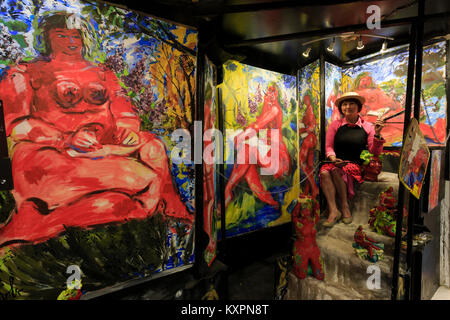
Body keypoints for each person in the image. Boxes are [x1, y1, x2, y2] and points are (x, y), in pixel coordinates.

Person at [0, 12, 192, 247]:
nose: (70, 41)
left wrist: (127, 129)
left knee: (153, 147)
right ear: (47, 38)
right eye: (61, 35)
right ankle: (39, 222)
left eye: (75, 35)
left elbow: (125, 113)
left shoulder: (104, 73)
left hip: (105, 150)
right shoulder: (23, 73)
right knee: (148, 179)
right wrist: (65, 138)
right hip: (53, 154)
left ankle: (170, 214)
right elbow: (18, 125)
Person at [320, 92, 385, 227]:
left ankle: (344, 207)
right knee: (324, 173)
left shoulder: (368, 127)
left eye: (351, 104)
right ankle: (333, 210)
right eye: (344, 104)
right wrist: (333, 158)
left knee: (337, 172)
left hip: (354, 163)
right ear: (341, 108)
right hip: (336, 162)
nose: (347, 107)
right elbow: (328, 147)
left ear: (358, 107)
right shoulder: (335, 125)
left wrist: (377, 134)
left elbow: (375, 151)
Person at [224, 84, 290, 209]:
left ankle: (228, 191)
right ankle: (268, 200)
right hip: (268, 151)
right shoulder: (266, 109)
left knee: (247, 150)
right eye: (268, 92)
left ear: (277, 94)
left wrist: (242, 135)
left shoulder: (275, 110)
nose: (270, 95)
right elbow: (260, 130)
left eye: (273, 92)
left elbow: (257, 126)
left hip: (278, 158)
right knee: (247, 156)